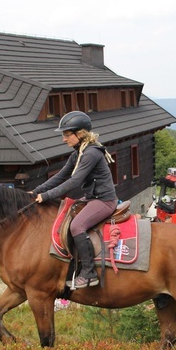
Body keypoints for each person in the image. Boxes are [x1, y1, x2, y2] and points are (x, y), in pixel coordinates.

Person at [32, 111, 117, 289]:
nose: (64, 139)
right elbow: (60, 176)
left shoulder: (91, 153)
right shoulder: (78, 153)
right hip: (92, 198)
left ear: (80, 133)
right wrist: (35, 192)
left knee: (77, 226)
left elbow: (74, 181)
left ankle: (88, 273)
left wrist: (46, 196)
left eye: (67, 134)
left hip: (104, 201)